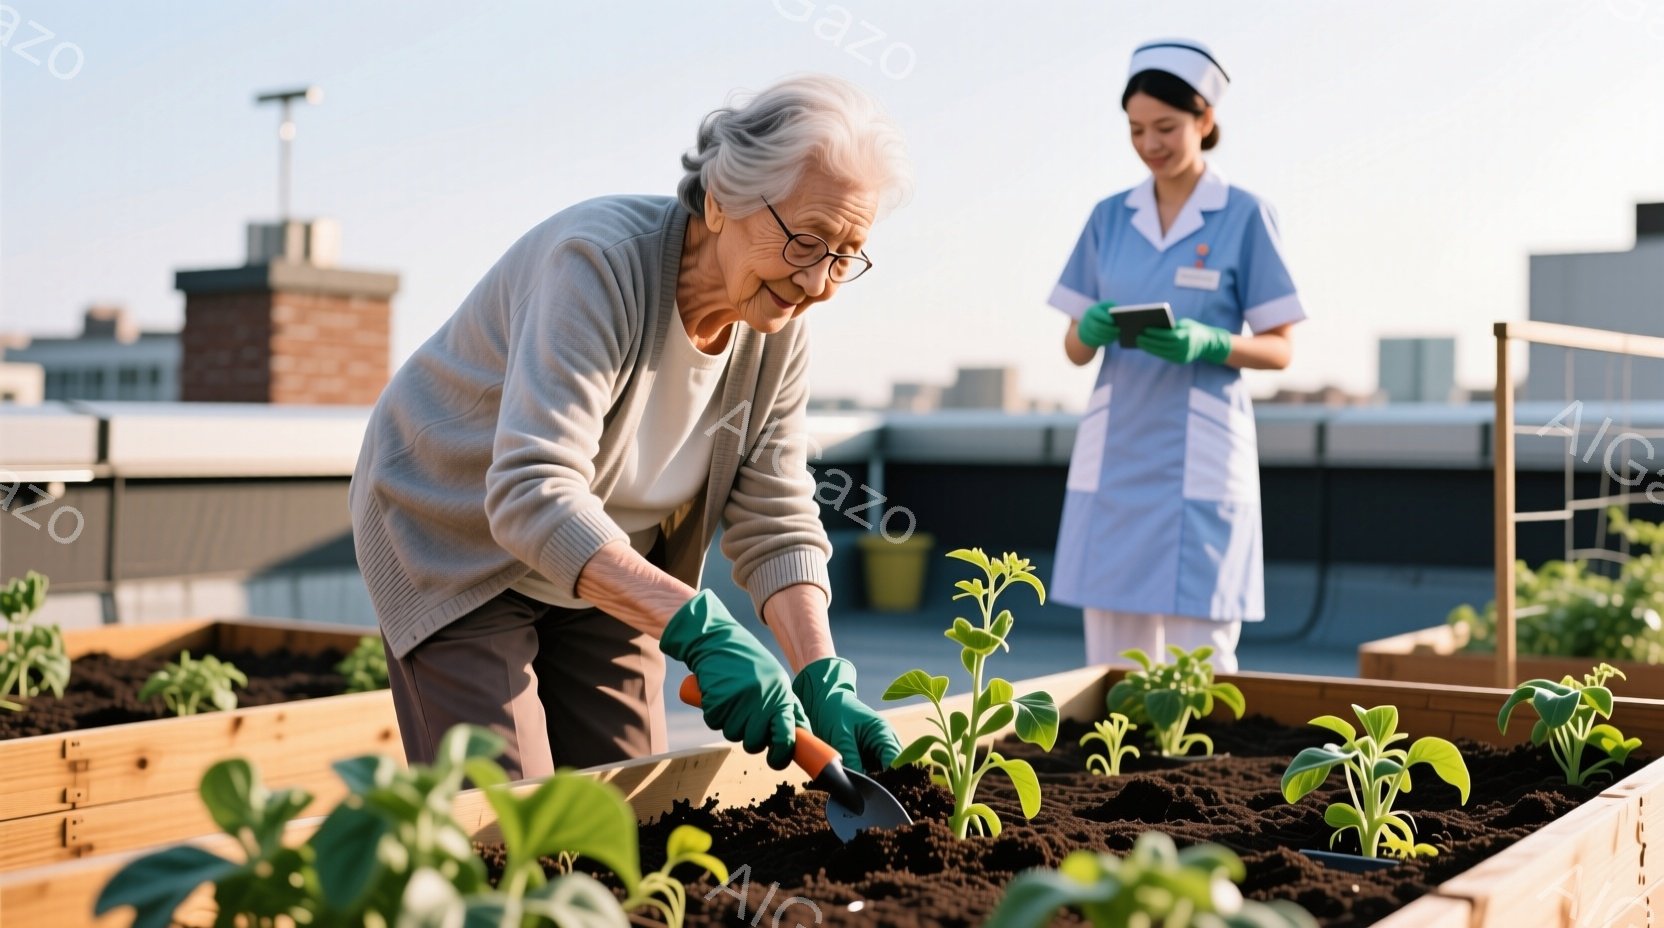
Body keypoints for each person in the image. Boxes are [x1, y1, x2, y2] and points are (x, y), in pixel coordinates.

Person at [349, 74, 910, 778]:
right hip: (456, 535)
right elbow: (532, 492)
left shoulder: (775, 330)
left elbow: (776, 517)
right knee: (511, 818)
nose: (818, 281)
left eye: (845, 253)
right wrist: (698, 630)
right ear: (721, 200)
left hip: (605, 555)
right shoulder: (599, 267)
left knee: (629, 812)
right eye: (806, 240)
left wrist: (820, 675)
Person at [1048, 39, 1305, 672]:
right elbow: (1074, 349)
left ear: (1205, 122)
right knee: (1112, 660)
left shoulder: (1244, 216)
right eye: (1136, 129)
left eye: (1165, 127)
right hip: (1118, 454)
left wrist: (1212, 342)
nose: (1149, 144)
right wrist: (1095, 328)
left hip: (1202, 453)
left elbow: (1281, 349)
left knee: (1204, 658)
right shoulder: (1109, 218)